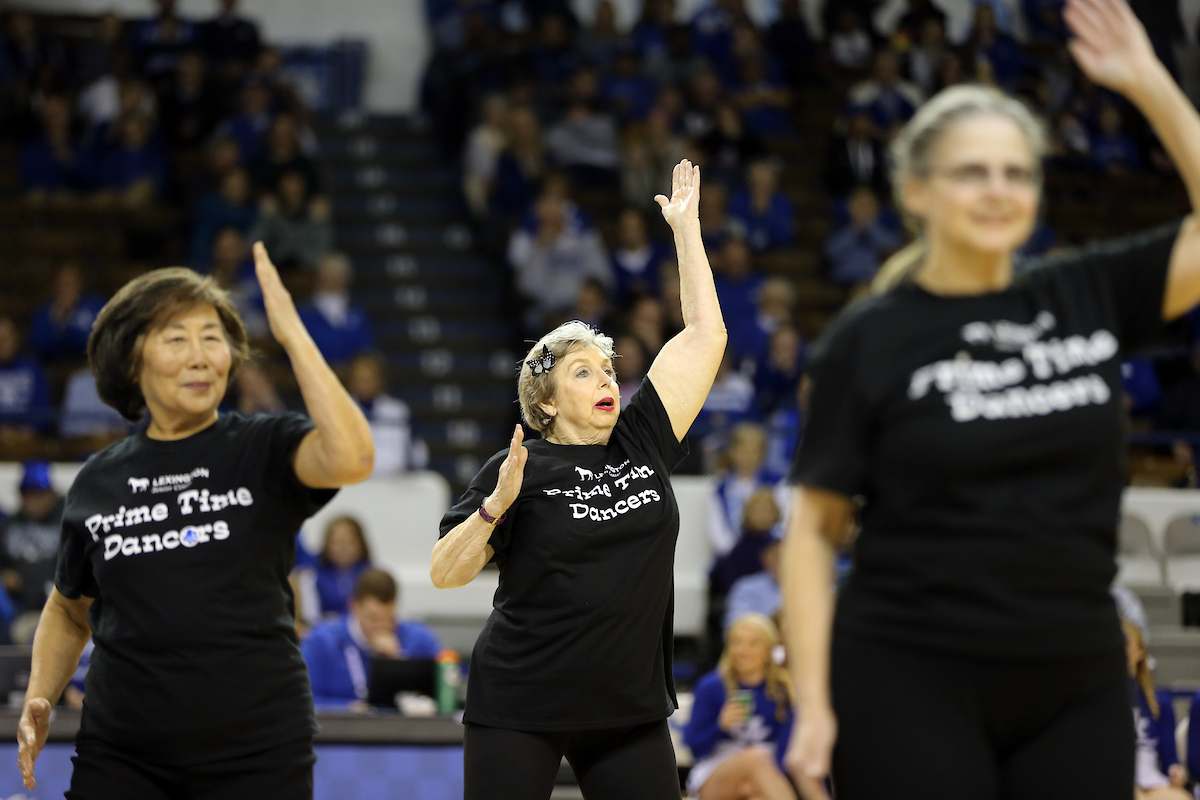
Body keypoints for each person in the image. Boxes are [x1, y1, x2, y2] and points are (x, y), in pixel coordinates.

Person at [782, 4, 1200, 799]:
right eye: (972, 171)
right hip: (910, 671)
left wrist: (1150, 84)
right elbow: (814, 532)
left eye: (1017, 172)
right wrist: (812, 702)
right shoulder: (869, 338)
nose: (997, 189)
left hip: (1075, 675)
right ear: (916, 190)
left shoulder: (1087, 289)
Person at [17, 243, 375, 796]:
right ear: (132, 360)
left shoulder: (264, 444)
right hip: (123, 751)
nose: (201, 355)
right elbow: (68, 609)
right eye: (176, 338)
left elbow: (354, 458)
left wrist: (293, 335)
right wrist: (40, 693)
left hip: (258, 749)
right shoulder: (98, 480)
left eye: (213, 338)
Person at [431, 160, 726, 800]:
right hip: (519, 701)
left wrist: (685, 230)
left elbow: (704, 335)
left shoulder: (640, 436)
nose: (607, 381)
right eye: (584, 373)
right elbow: (445, 573)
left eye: (608, 368)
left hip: (628, 708)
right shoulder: (518, 467)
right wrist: (493, 511)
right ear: (544, 404)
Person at [684, 613, 796, 800]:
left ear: (769, 651)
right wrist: (720, 726)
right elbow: (695, 749)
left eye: (753, 643)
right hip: (715, 771)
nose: (744, 650)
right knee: (756, 757)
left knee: (757, 788)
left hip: (767, 773)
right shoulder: (711, 686)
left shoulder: (784, 691)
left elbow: (786, 751)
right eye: (737, 642)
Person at [301, 568, 441, 710]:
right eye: (373, 618)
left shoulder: (420, 639)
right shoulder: (321, 641)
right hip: (344, 729)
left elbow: (443, 696)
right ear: (354, 606)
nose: (382, 626)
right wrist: (347, 709)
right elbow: (303, 702)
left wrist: (398, 661)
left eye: (389, 619)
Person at [1117, 589, 1189, 799]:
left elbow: (1170, 762)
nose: (1120, 651)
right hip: (1116, 777)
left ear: (1140, 652)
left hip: (1151, 779)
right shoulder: (1101, 701)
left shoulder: (1159, 703)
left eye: (1126, 644)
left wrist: (1177, 771)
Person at [0, 462, 65, 635]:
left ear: (52, 493)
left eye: (40, 493)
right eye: (28, 493)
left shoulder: (68, 522)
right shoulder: (10, 524)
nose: (33, 500)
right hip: (20, 607)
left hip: (60, 607)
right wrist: (5, 573)